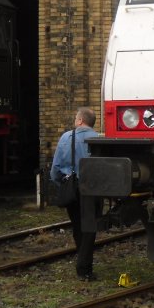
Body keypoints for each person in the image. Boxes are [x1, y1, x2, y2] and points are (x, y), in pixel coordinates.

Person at [50, 106, 100, 280]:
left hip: (71, 187)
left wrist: (61, 184)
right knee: (90, 227)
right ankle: (84, 267)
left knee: (78, 226)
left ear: (80, 120)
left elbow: (55, 169)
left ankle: (83, 261)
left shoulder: (66, 138)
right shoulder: (100, 139)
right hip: (93, 189)